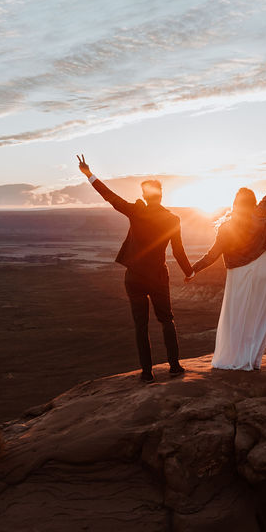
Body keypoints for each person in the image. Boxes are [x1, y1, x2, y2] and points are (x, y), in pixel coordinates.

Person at [76, 155, 194, 383]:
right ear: (161, 195)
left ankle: (147, 373)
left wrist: (89, 174)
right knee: (167, 320)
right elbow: (178, 252)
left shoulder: (136, 211)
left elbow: (110, 197)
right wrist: (189, 272)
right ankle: (174, 367)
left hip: (134, 277)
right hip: (158, 276)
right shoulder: (173, 219)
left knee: (140, 326)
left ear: (144, 195)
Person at [186, 151, 266, 371]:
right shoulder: (260, 213)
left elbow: (212, 255)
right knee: (257, 315)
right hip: (263, 270)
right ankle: (252, 360)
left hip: (240, 274)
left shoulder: (226, 227)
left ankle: (236, 359)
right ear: (253, 202)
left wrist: (193, 270)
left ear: (235, 203)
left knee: (236, 316)